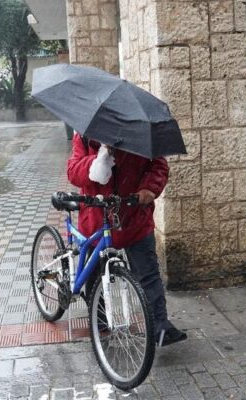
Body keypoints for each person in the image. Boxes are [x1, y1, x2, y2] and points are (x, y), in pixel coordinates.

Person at [67, 133, 187, 347]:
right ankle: (99, 320)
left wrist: (149, 188)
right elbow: (73, 172)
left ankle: (160, 326)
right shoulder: (86, 137)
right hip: (97, 219)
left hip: (134, 217)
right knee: (94, 276)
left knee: (148, 274)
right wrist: (96, 162)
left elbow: (158, 166)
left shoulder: (141, 135)